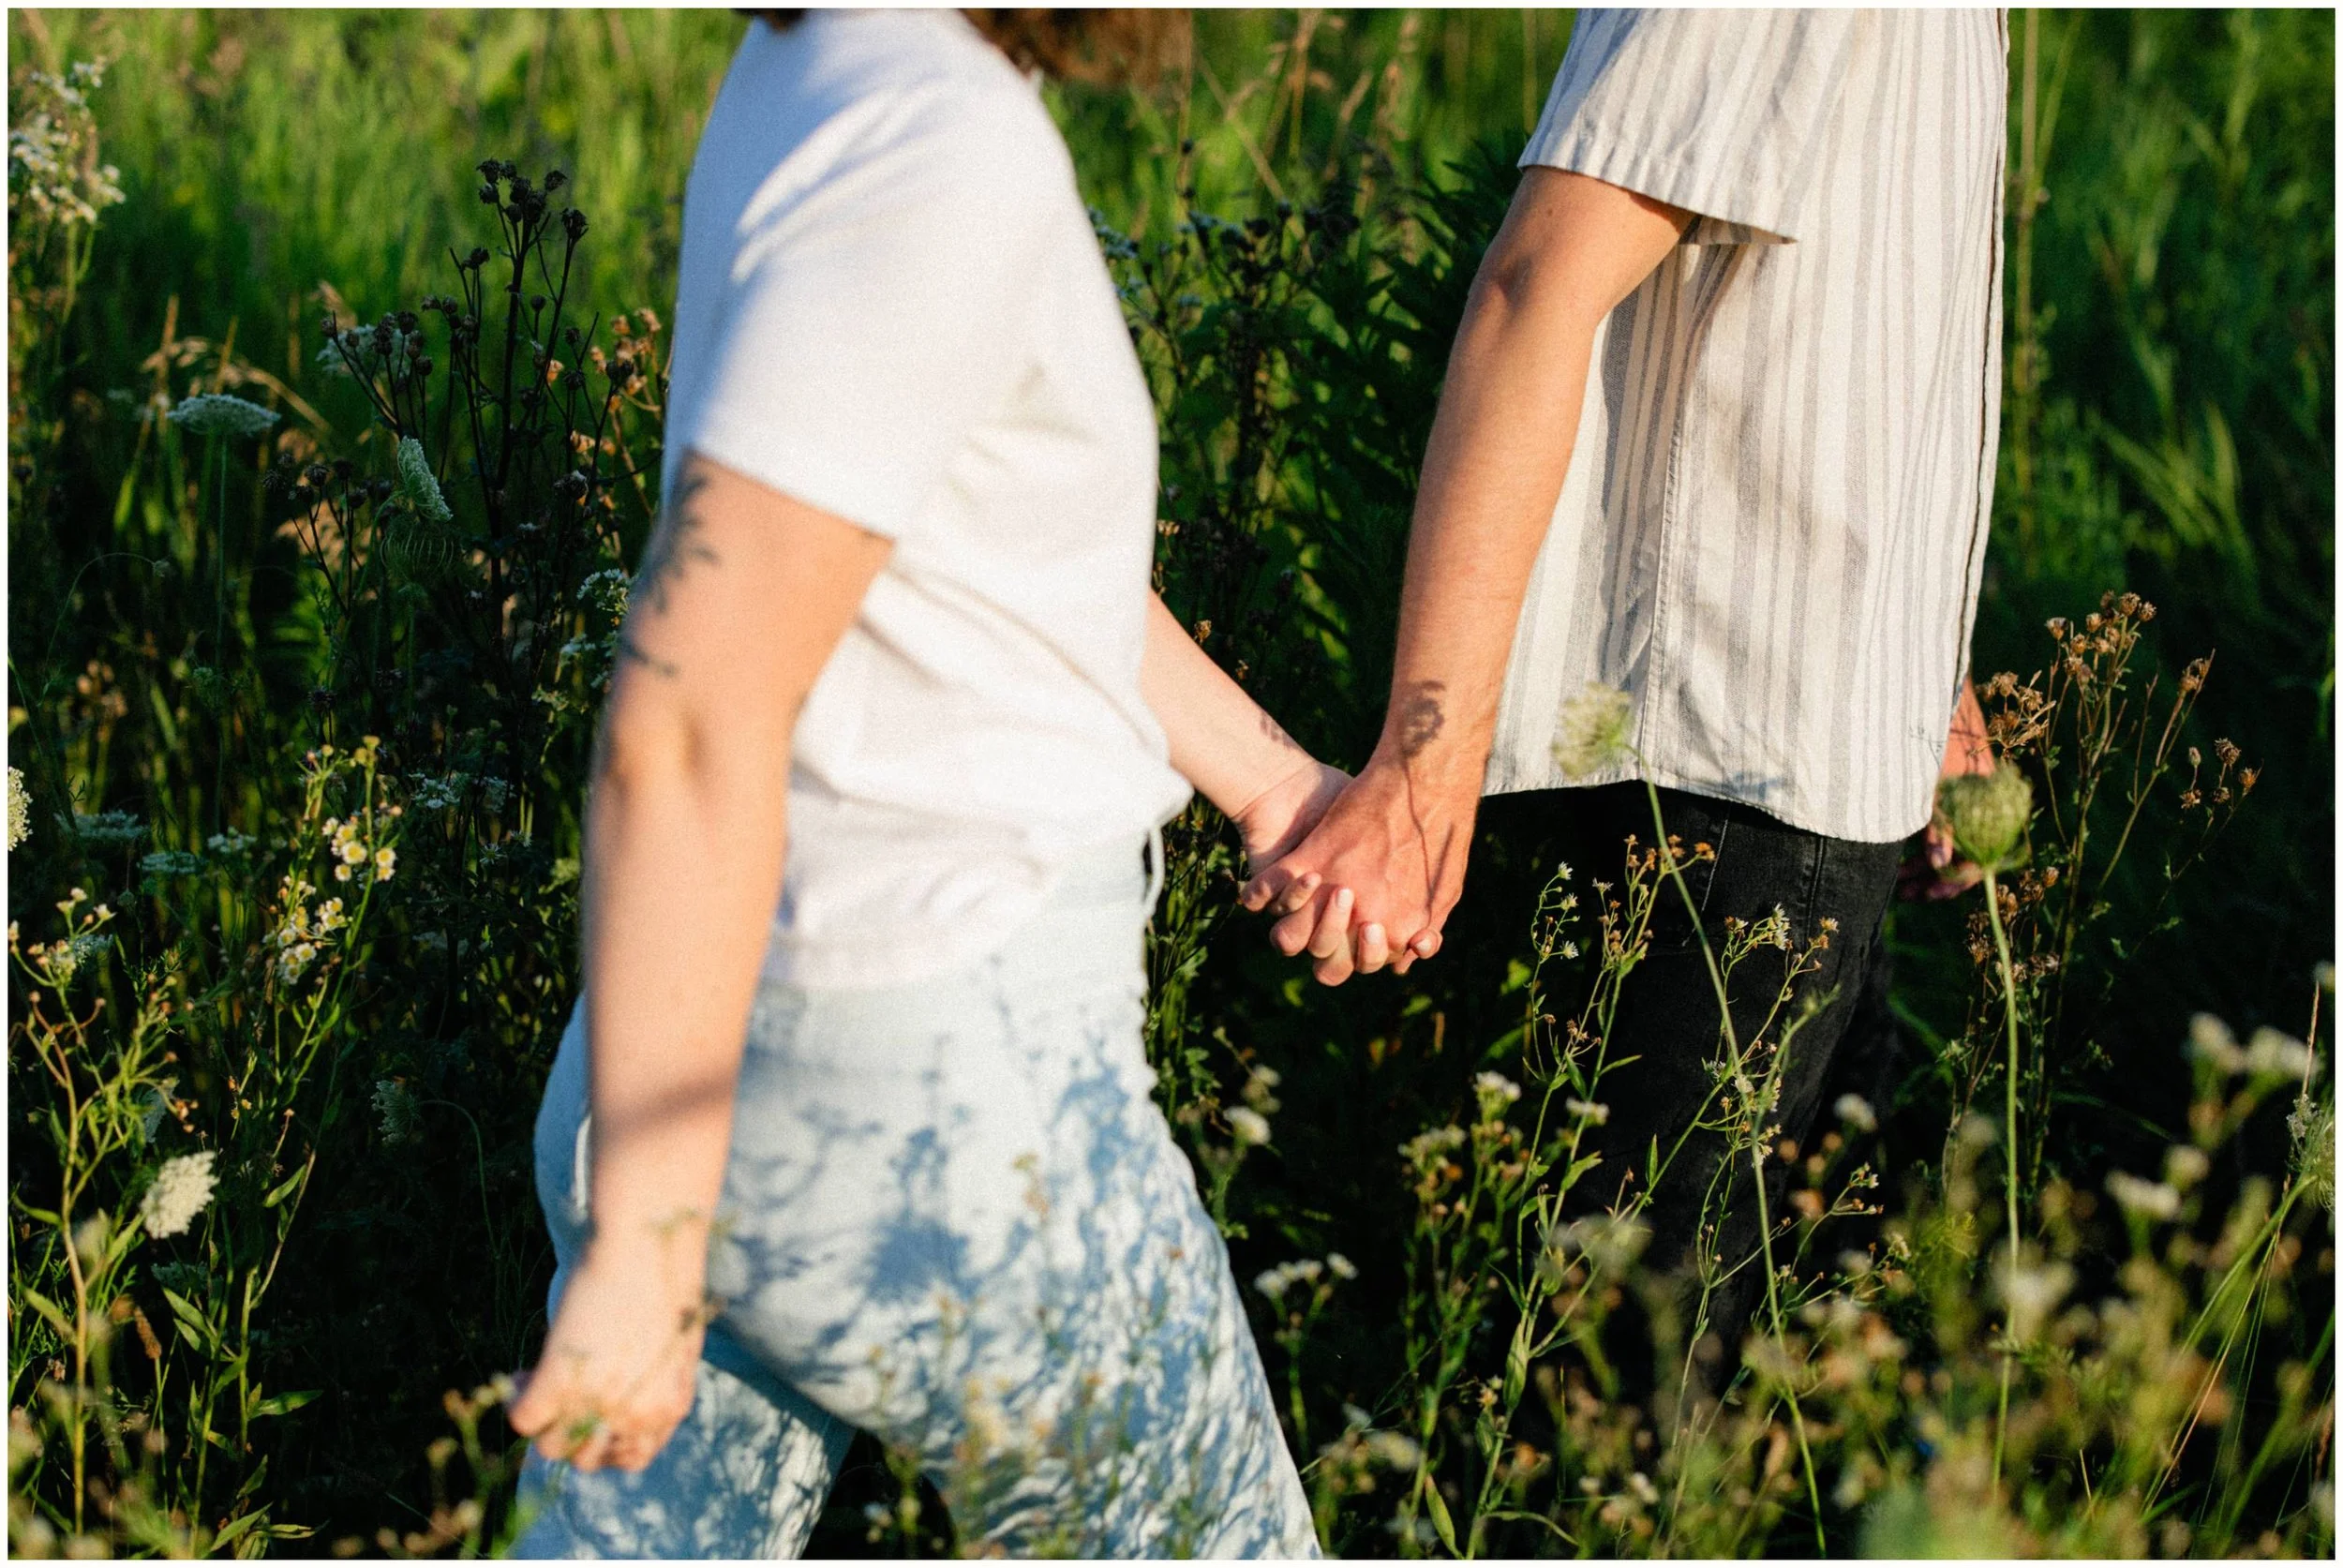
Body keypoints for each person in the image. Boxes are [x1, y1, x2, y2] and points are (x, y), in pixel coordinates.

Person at [506, 11, 1332, 1557]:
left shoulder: (826, 64)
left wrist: (1274, 786)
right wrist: (648, 1243)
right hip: (945, 1089)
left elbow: (972, 560)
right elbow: (688, 715)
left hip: (710, 1040)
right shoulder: (936, 140)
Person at [1246, 9, 2009, 1381]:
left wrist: (1923, 665)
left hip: (1820, 755)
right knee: (1628, 1394)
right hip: (1719, 767)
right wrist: (1423, 768)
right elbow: (1536, 286)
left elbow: (1861, 330)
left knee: (1780, 1375)